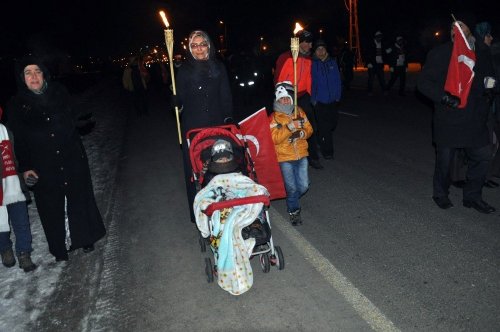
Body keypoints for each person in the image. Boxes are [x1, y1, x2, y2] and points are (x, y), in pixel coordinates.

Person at [6, 56, 106, 261]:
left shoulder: (59, 92)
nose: (34, 76)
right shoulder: (16, 104)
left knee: (78, 197)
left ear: (44, 74)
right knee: (50, 205)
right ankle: (60, 246)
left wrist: (80, 122)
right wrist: (26, 167)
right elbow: (20, 140)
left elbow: (72, 116)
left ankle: (84, 238)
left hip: (70, 155)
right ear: (21, 78)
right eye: (28, 72)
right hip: (43, 163)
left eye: (37, 71)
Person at [417, 20, 496, 214]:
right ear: (452, 33)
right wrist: (444, 97)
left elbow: (489, 77)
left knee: (483, 155)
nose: (462, 32)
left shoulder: (479, 53)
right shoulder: (440, 54)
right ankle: (441, 194)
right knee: (445, 162)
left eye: (466, 29)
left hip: (474, 119)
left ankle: (472, 196)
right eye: (457, 29)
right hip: (449, 119)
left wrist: (490, 87)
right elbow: (423, 83)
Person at [176, 30, 233, 222]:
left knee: (221, 164)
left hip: (217, 124)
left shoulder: (218, 67)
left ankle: (224, 206)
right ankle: (200, 213)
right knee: (198, 169)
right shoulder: (184, 70)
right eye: (194, 45)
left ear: (209, 45)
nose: (199, 49)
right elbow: (181, 100)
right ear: (190, 49)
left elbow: (225, 95)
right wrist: (175, 101)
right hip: (194, 125)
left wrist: (228, 117)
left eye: (202, 44)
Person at [274, 30, 323, 169]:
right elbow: (278, 79)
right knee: (287, 126)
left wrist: (312, 96)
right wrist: (283, 97)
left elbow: (309, 79)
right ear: (299, 42)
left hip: (303, 96)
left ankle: (313, 156)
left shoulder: (309, 59)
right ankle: (285, 156)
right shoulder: (286, 57)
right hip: (288, 97)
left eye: (310, 42)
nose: (310, 45)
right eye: (307, 42)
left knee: (309, 125)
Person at [270, 81, 313, 225]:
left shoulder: (299, 111)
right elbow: (274, 138)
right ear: (277, 99)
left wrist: (301, 133)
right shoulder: (274, 118)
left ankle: (291, 197)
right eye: (282, 98)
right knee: (292, 187)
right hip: (284, 158)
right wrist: (289, 127)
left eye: (287, 98)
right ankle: (293, 210)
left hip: (301, 155)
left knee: (304, 186)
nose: (285, 100)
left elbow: (309, 129)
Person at [0, 111, 37, 272]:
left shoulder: (7, 132)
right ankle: (5, 249)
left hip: (13, 182)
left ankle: (24, 252)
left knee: (21, 220)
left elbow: (17, 157)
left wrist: (23, 173)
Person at [475, 22, 500, 188]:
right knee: (485, 142)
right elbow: (486, 79)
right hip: (482, 105)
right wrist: (490, 90)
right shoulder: (481, 53)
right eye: (489, 35)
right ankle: (479, 178)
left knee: (492, 141)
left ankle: (485, 175)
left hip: (489, 103)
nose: (491, 38)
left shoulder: (486, 53)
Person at [311, 39, 342, 160]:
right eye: (318, 49)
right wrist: (314, 99)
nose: (321, 51)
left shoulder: (333, 63)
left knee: (332, 124)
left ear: (326, 50)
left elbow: (337, 81)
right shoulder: (313, 65)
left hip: (333, 101)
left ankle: (319, 136)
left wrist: (338, 96)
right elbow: (312, 83)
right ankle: (327, 151)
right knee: (325, 128)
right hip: (320, 102)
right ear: (315, 52)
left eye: (322, 48)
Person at [365, 31, 389, 96]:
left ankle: (385, 90)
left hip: (380, 64)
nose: (380, 38)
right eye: (378, 37)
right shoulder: (371, 44)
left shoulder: (382, 44)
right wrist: (368, 63)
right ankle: (369, 91)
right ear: (375, 37)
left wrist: (387, 52)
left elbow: (384, 54)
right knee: (371, 79)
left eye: (380, 37)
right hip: (372, 65)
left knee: (382, 78)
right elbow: (367, 54)